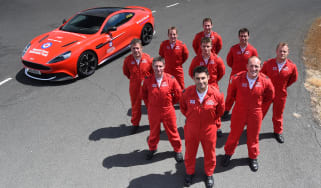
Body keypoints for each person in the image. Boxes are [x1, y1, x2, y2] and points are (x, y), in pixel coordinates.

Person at [222, 56, 275, 172]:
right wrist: (226, 109)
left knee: (253, 137)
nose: (253, 68)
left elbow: (270, 97)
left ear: (260, 67)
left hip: (255, 113)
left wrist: (260, 109)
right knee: (234, 135)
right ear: (246, 67)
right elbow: (230, 95)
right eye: (251, 66)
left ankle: (253, 157)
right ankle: (228, 154)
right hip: (239, 111)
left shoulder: (266, 81)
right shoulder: (236, 78)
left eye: (256, 66)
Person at [180, 66, 225, 188]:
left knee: (210, 154)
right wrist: (192, 118)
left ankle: (209, 174)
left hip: (209, 129)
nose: (201, 82)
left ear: (208, 78)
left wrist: (210, 120)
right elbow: (183, 108)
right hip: (191, 129)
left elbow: (220, 111)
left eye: (203, 78)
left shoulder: (216, 94)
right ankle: (189, 173)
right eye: (198, 79)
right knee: (190, 153)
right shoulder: (187, 93)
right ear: (194, 79)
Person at [141, 56, 183, 162]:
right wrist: (149, 106)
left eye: (160, 66)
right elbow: (144, 95)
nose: (158, 69)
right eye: (156, 66)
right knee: (154, 132)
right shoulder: (147, 80)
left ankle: (177, 150)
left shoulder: (171, 79)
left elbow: (178, 94)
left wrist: (170, 103)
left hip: (168, 110)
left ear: (164, 66)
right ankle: (152, 148)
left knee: (173, 131)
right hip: (153, 111)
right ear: (153, 67)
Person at [261, 42, 298, 143]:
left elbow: (293, 79)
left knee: (278, 114)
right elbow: (261, 75)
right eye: (280, 51)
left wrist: (284, 86)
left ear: (288, 53)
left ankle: (278, 132)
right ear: (276, 51)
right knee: (260, 111)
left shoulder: (292, 66)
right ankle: (253, 128)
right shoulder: (268, 63)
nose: (282, 53)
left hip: (281, 94)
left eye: (284, 51)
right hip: (267, 93)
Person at [189, 37, 225, 137]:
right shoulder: (196, 59)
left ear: (211, 47)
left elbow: (222, 72)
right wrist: (198, 82)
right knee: (200, 105)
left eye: (208, 46)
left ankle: (217, 126)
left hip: (213, 85)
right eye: (204, 46)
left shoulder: (217, 59)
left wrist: (214, 81)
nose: (205, 49)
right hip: (200, 85)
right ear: (200, 47)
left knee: (215, 106)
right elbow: (191, 72)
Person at [222, 28, 258, 120]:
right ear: (239, 37)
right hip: (234, 76)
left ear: (248, 37)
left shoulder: (252, 50)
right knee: (230, 94)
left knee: (244, 96)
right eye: (241, 36)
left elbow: (255, 64)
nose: (243, 38)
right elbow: (229, 61)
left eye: (245, 36)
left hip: (247, 77)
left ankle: (243, 112)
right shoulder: (233, 49)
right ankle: (226, 110)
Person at [123, 39, 153, 134]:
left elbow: (153, 72)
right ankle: (135, 124)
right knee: (135, 106)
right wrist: (134, 80)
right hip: (134, 87)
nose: (136, 50)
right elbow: (126, 72)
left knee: (151, 106)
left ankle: (154, 125)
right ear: (131, 49)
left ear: (141, 48)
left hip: (147, 87)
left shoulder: (148, 59)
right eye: (133, 48)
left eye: (137, 48)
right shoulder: (128, 60)